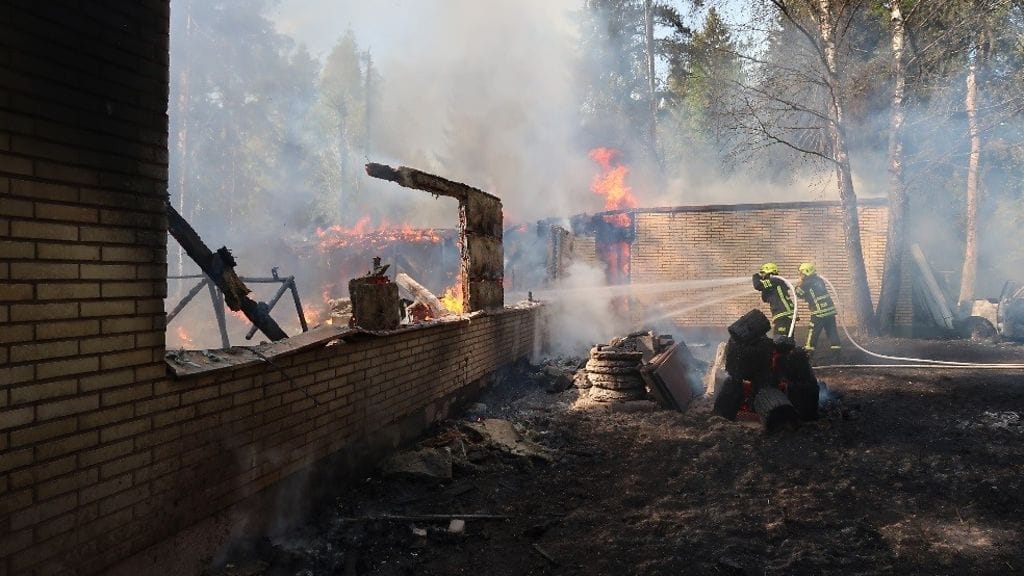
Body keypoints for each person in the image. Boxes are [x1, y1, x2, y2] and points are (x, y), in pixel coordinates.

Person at [795, 262, 841, 356]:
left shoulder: (806, 283)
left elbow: (799, 293)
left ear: (806, 272)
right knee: (831, 329)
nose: (800, 275)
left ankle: (809, 349)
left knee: (813, 330)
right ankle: (836, 349)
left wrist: (798, 285)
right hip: (830, 310)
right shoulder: (819, 279)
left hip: (819, 311)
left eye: (801, 273)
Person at [752, 262, 796, 337]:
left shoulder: (774, 280)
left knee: (779, 339)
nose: (762, 276)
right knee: (786, 340)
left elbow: (758, 285)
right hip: (785, 313)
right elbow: (765, 298)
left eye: (763, 273)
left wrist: (756, 276)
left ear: (768, 272)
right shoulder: (775, 283)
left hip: (783, 314)